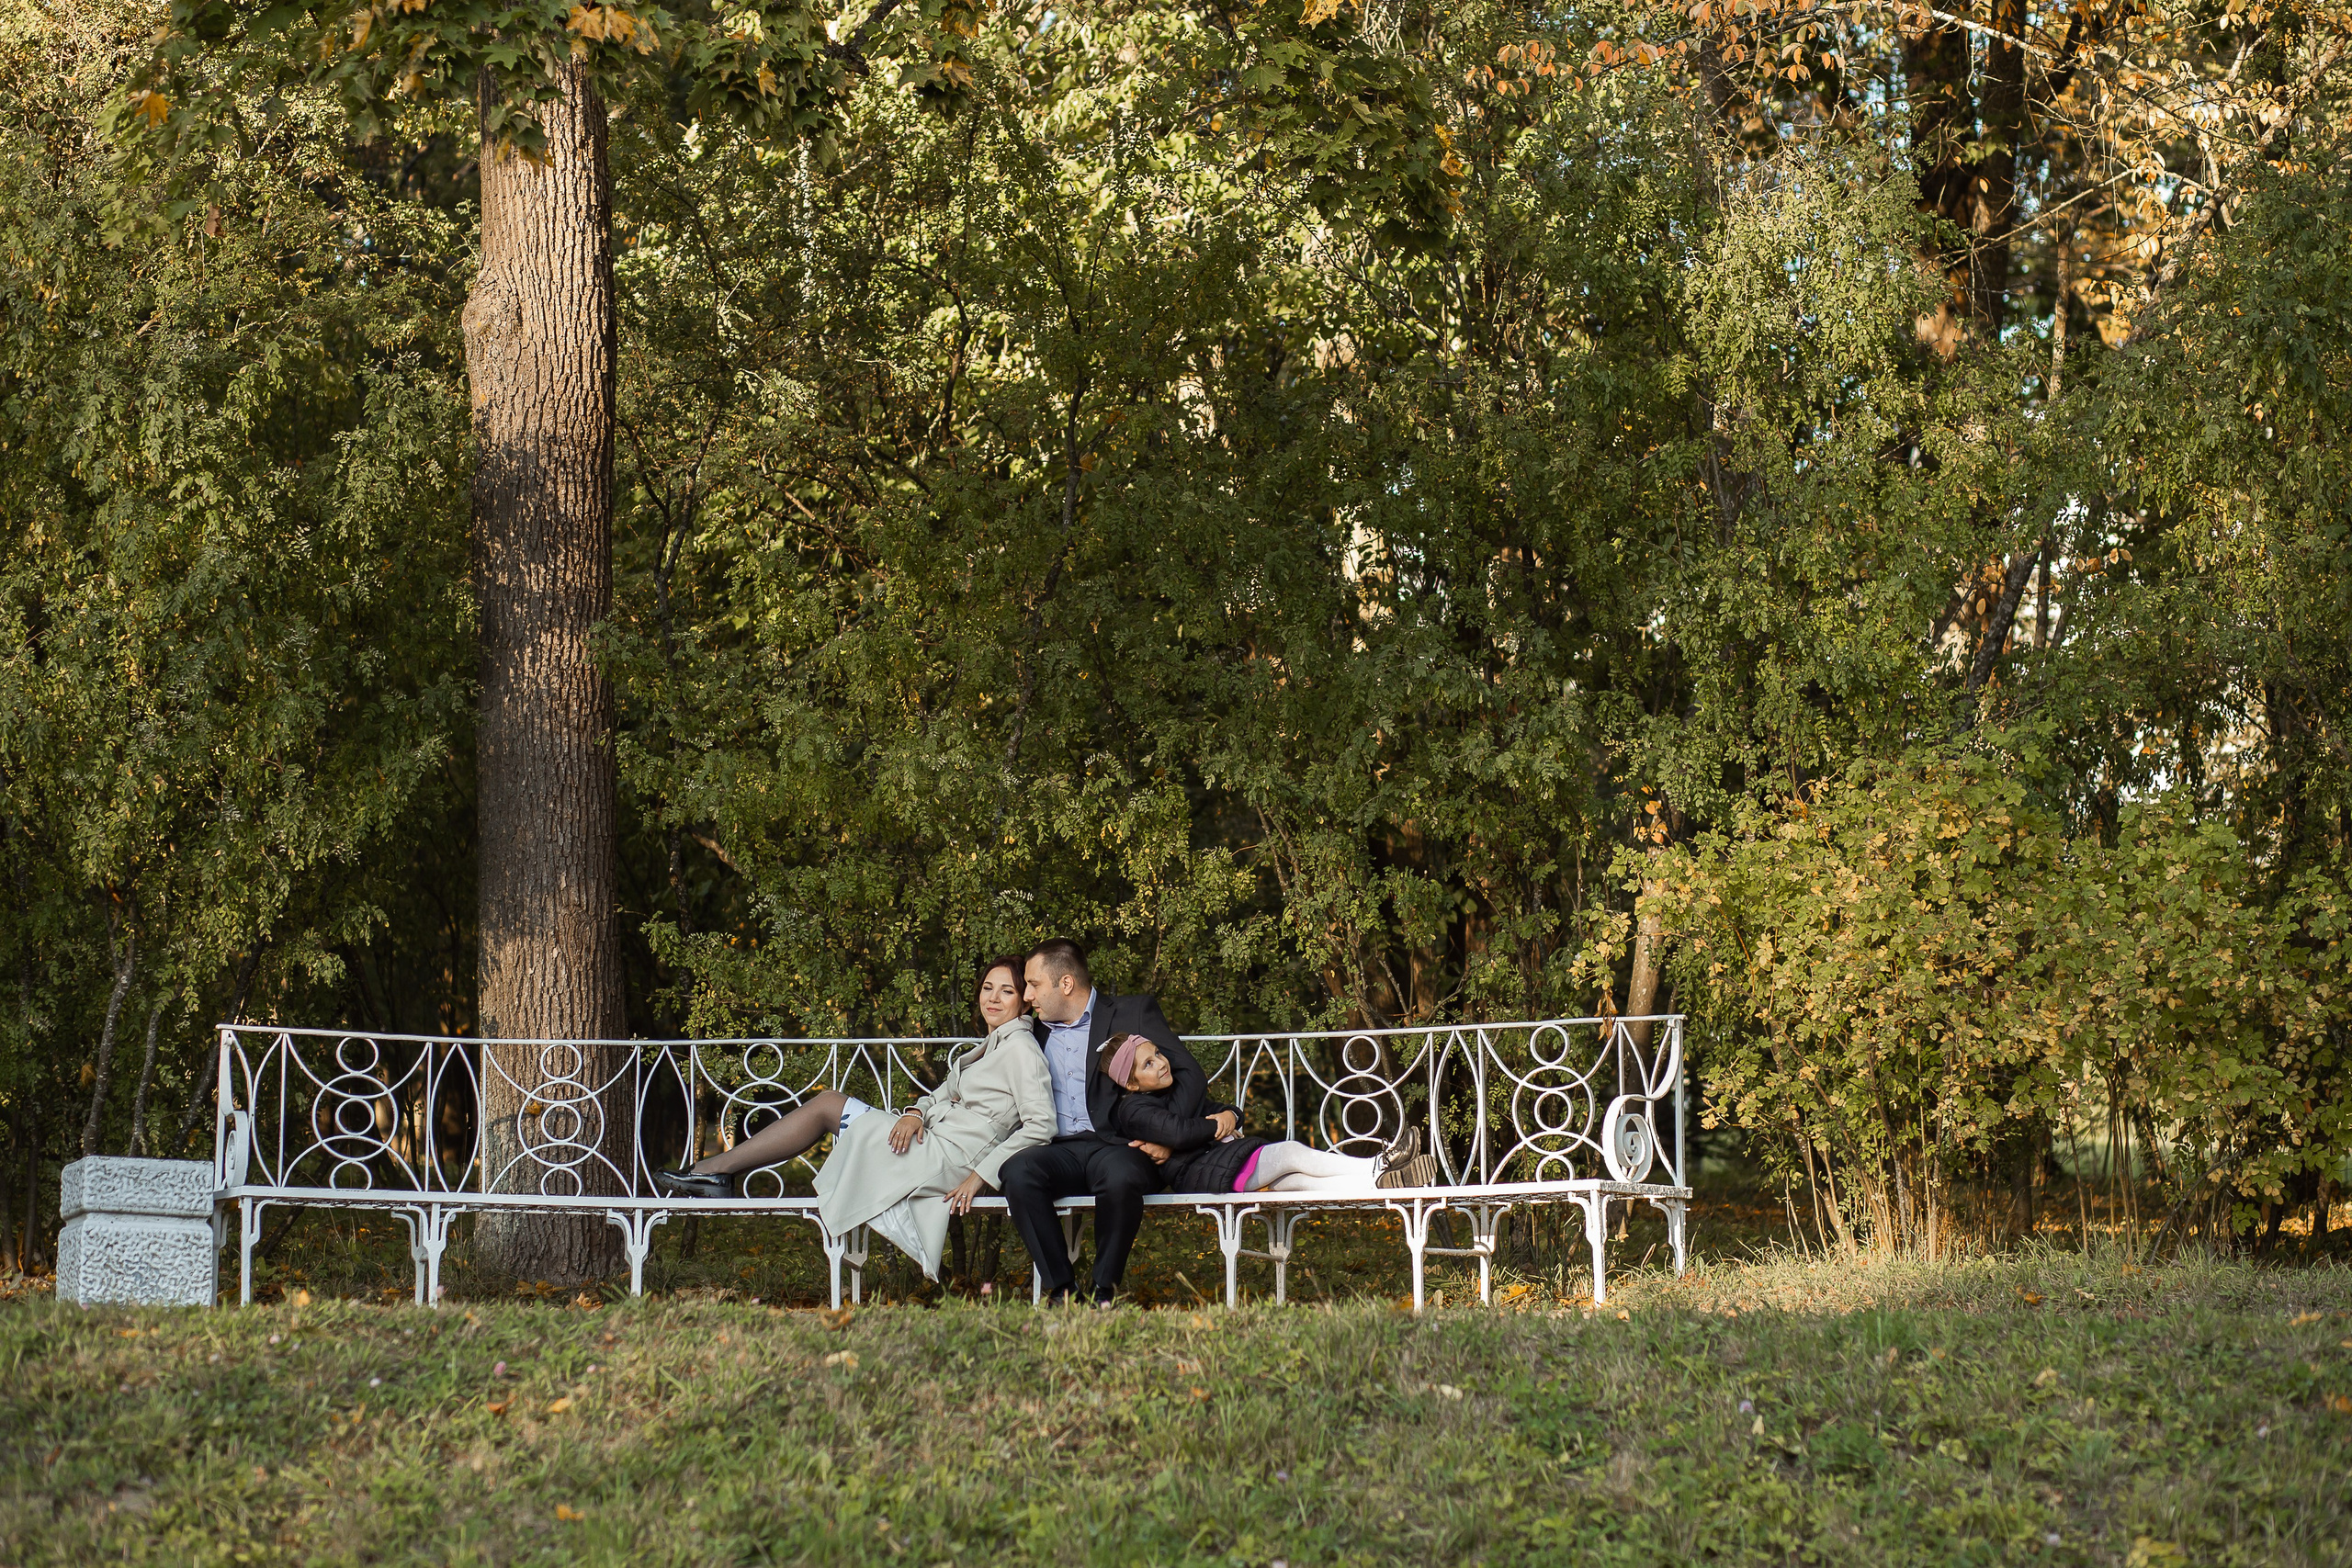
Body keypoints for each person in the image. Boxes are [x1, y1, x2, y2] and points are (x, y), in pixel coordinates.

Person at [651, 956, 1053, 1280]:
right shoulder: (992, 1044)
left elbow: (1041, 1125)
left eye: (1007, 991)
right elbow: (940, 1096)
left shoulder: (1020, 1048)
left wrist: (982, 1174)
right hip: (930, 1144)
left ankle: (714, 1171)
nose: (993, 998)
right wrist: (914, 1112)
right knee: (829, 1104)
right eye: (987, 988)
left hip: (949, 1160)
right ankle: (715, 1172)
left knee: (828, 1105)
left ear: (1024, 999)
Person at [995, 938, 1201, 1307]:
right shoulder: (1030, 1031)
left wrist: (1170, 1135)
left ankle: (1103, 1291)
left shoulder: (1132, 1013)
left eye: (1035, 984)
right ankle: (1062, 1291)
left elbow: (1189, 1074)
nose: (1027, 996)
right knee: (1017, 1171)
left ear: (1066, 984)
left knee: (1120, 1177)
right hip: (1058, 1149)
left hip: (1120, 1147)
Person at [1097, 1032, 1435, 1195]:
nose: (1161, 1063)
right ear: (1131, 1084)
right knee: (1289, 1153)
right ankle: (1379, 1163)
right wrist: (1216, 1124)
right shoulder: (1134, 1111)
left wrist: (1230, 1113)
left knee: (1296, 1182)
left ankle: (1377, 1183)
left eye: (1157, 1053)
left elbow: (1208, 1115)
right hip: (1203, 1174)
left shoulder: (1168, 1093)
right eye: (1148, 1064)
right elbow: (1179, 1133)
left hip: (1215, 1164)